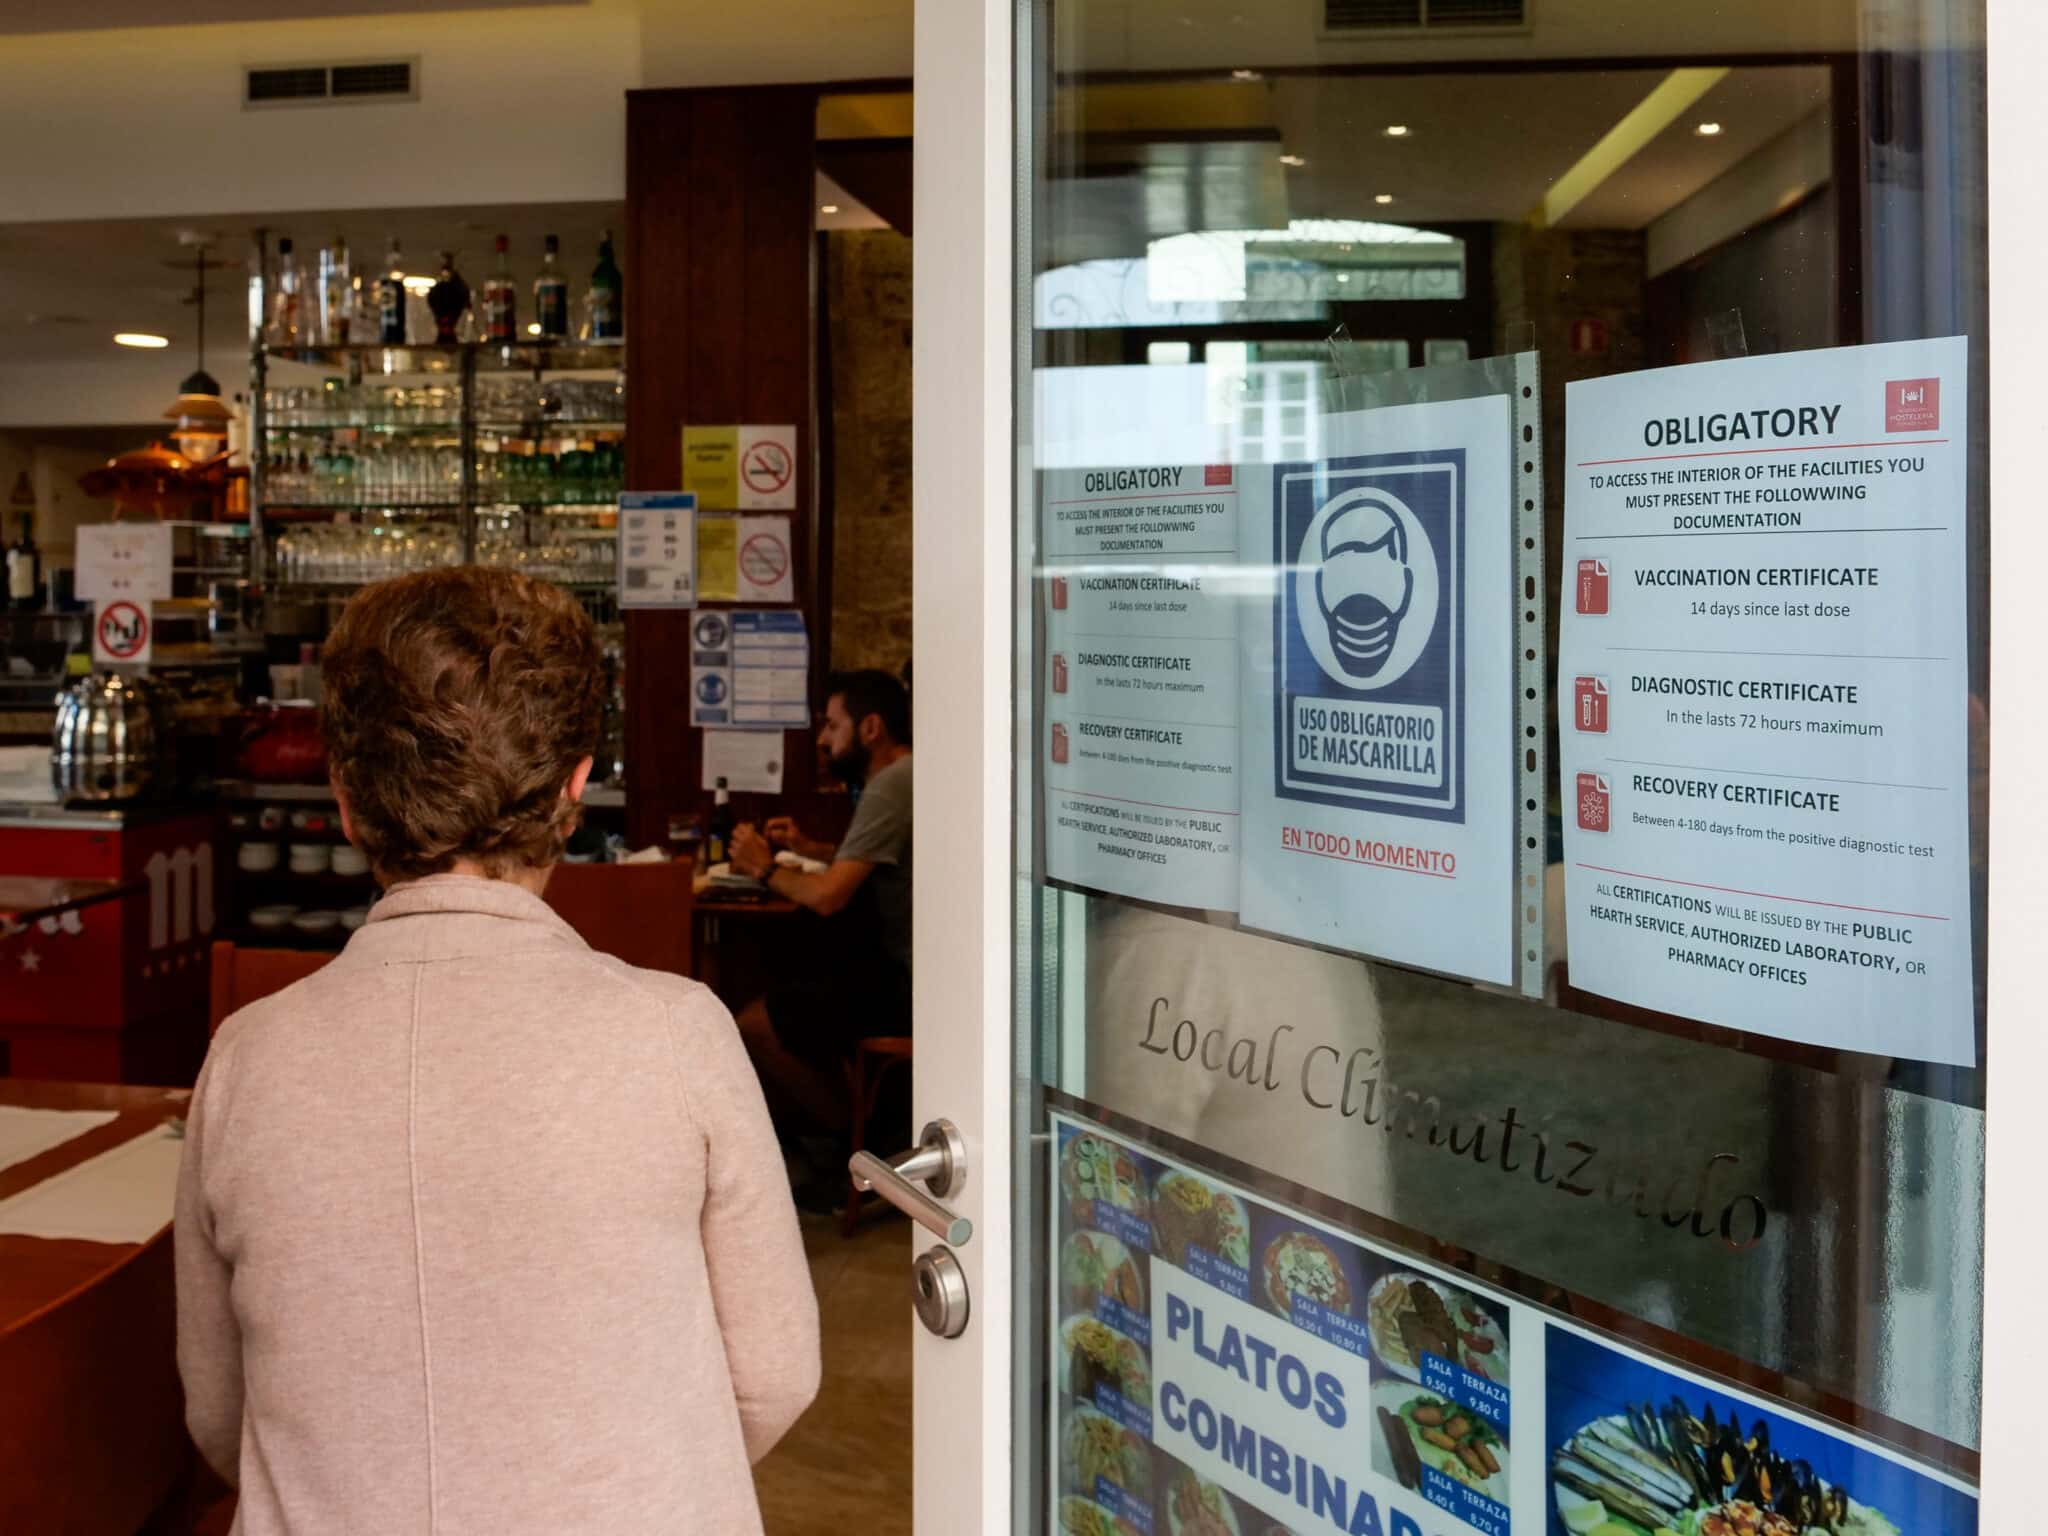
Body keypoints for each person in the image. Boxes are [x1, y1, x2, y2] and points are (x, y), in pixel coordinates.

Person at [175, 568, 819, 1535]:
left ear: (346, 800)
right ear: (572, 789)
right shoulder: (679, 1033)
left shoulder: (245, 1057)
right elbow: (773, 1376)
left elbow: (222, 1416)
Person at [728, 669, 911, 1142]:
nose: (823, 740)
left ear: (871, 728)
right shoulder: (904, 776)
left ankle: (849, 1150)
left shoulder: (892, 783)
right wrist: (811, 848)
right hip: (906, 971)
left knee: (754, 1025)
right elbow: (872, 860)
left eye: (833, 725)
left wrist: (763, 867)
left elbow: (829, 897)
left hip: (908, 983)